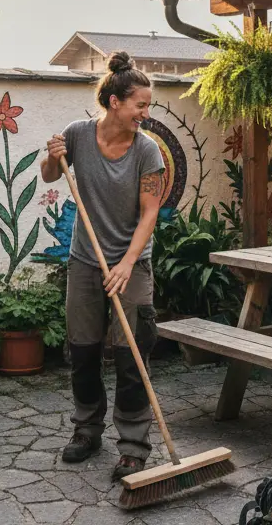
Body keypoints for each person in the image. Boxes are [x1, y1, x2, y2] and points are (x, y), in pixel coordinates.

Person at [41, 51, 165, 483]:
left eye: (147, 106)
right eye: (140, 105)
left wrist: (127, 264)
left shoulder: (148, 152)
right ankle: (86, 430)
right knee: (83, 349)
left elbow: (150, 214)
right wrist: (54, 156)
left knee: (133, 354)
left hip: (131, 263)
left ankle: (133, 446)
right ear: (115, 102)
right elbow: (49, 177)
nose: (145, 114)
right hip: (85, 261)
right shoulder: (77, 135)